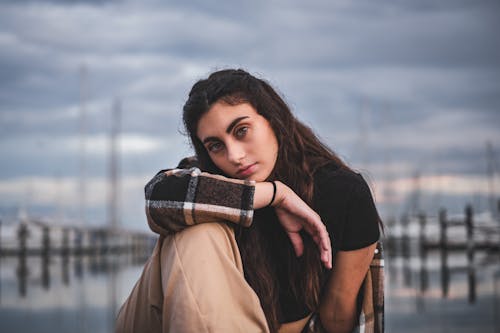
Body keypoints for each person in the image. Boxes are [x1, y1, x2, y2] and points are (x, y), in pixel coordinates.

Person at [115, 69, 384, 333]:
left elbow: (338, 316)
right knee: (196, 225)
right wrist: (275, 195)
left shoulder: (340, 191)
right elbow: (158, 197)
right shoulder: (210, 181)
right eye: (215, 146)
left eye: (241, 130)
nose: (234, 156)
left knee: (195, 218)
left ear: (274, 120)